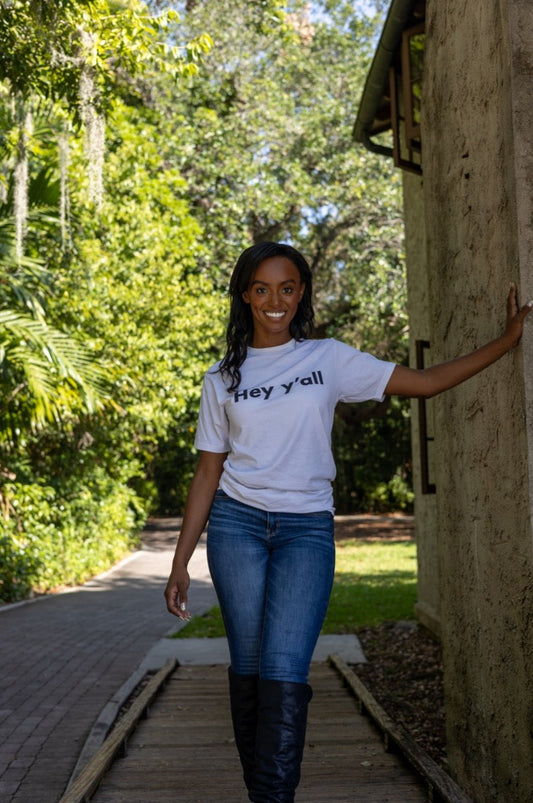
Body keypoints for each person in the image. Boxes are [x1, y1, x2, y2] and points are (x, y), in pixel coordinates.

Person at [164, 241, 531, 802]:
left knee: (285, 669)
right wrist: (179, 561)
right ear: (245, 295)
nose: (275, 300)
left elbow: (426, 383)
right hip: (236, 527)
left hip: (305, 530)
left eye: (287, 288)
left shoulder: (328, 359)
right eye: (262, 289)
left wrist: (507, 343)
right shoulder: (221, 379)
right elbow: (208, 472)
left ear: (302, 292)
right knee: (250, 665)